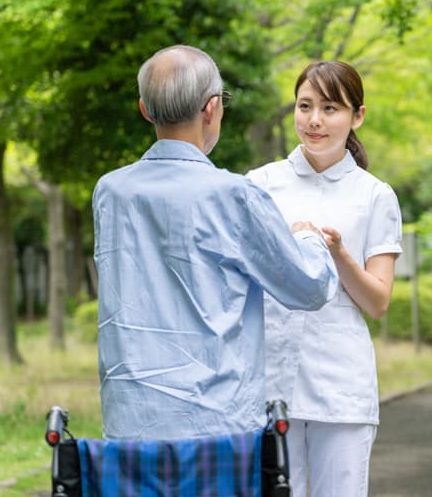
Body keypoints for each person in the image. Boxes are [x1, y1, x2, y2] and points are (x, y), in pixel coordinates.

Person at [92, 45, 339, 441]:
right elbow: (308, 287)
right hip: (216, 427)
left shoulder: (110, 192)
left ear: (144, 109)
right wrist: (307, 237)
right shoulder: (233, 195)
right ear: (211, 108)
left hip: (129, 425)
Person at [246, 60, 403, 497]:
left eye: (330, 108)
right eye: (304, 106)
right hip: (268, 382)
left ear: (358, 116)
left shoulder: (375, 195)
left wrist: (337, 254)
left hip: (341, 386)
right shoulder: (258, 185)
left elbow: (377, 302)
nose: (314, 120)